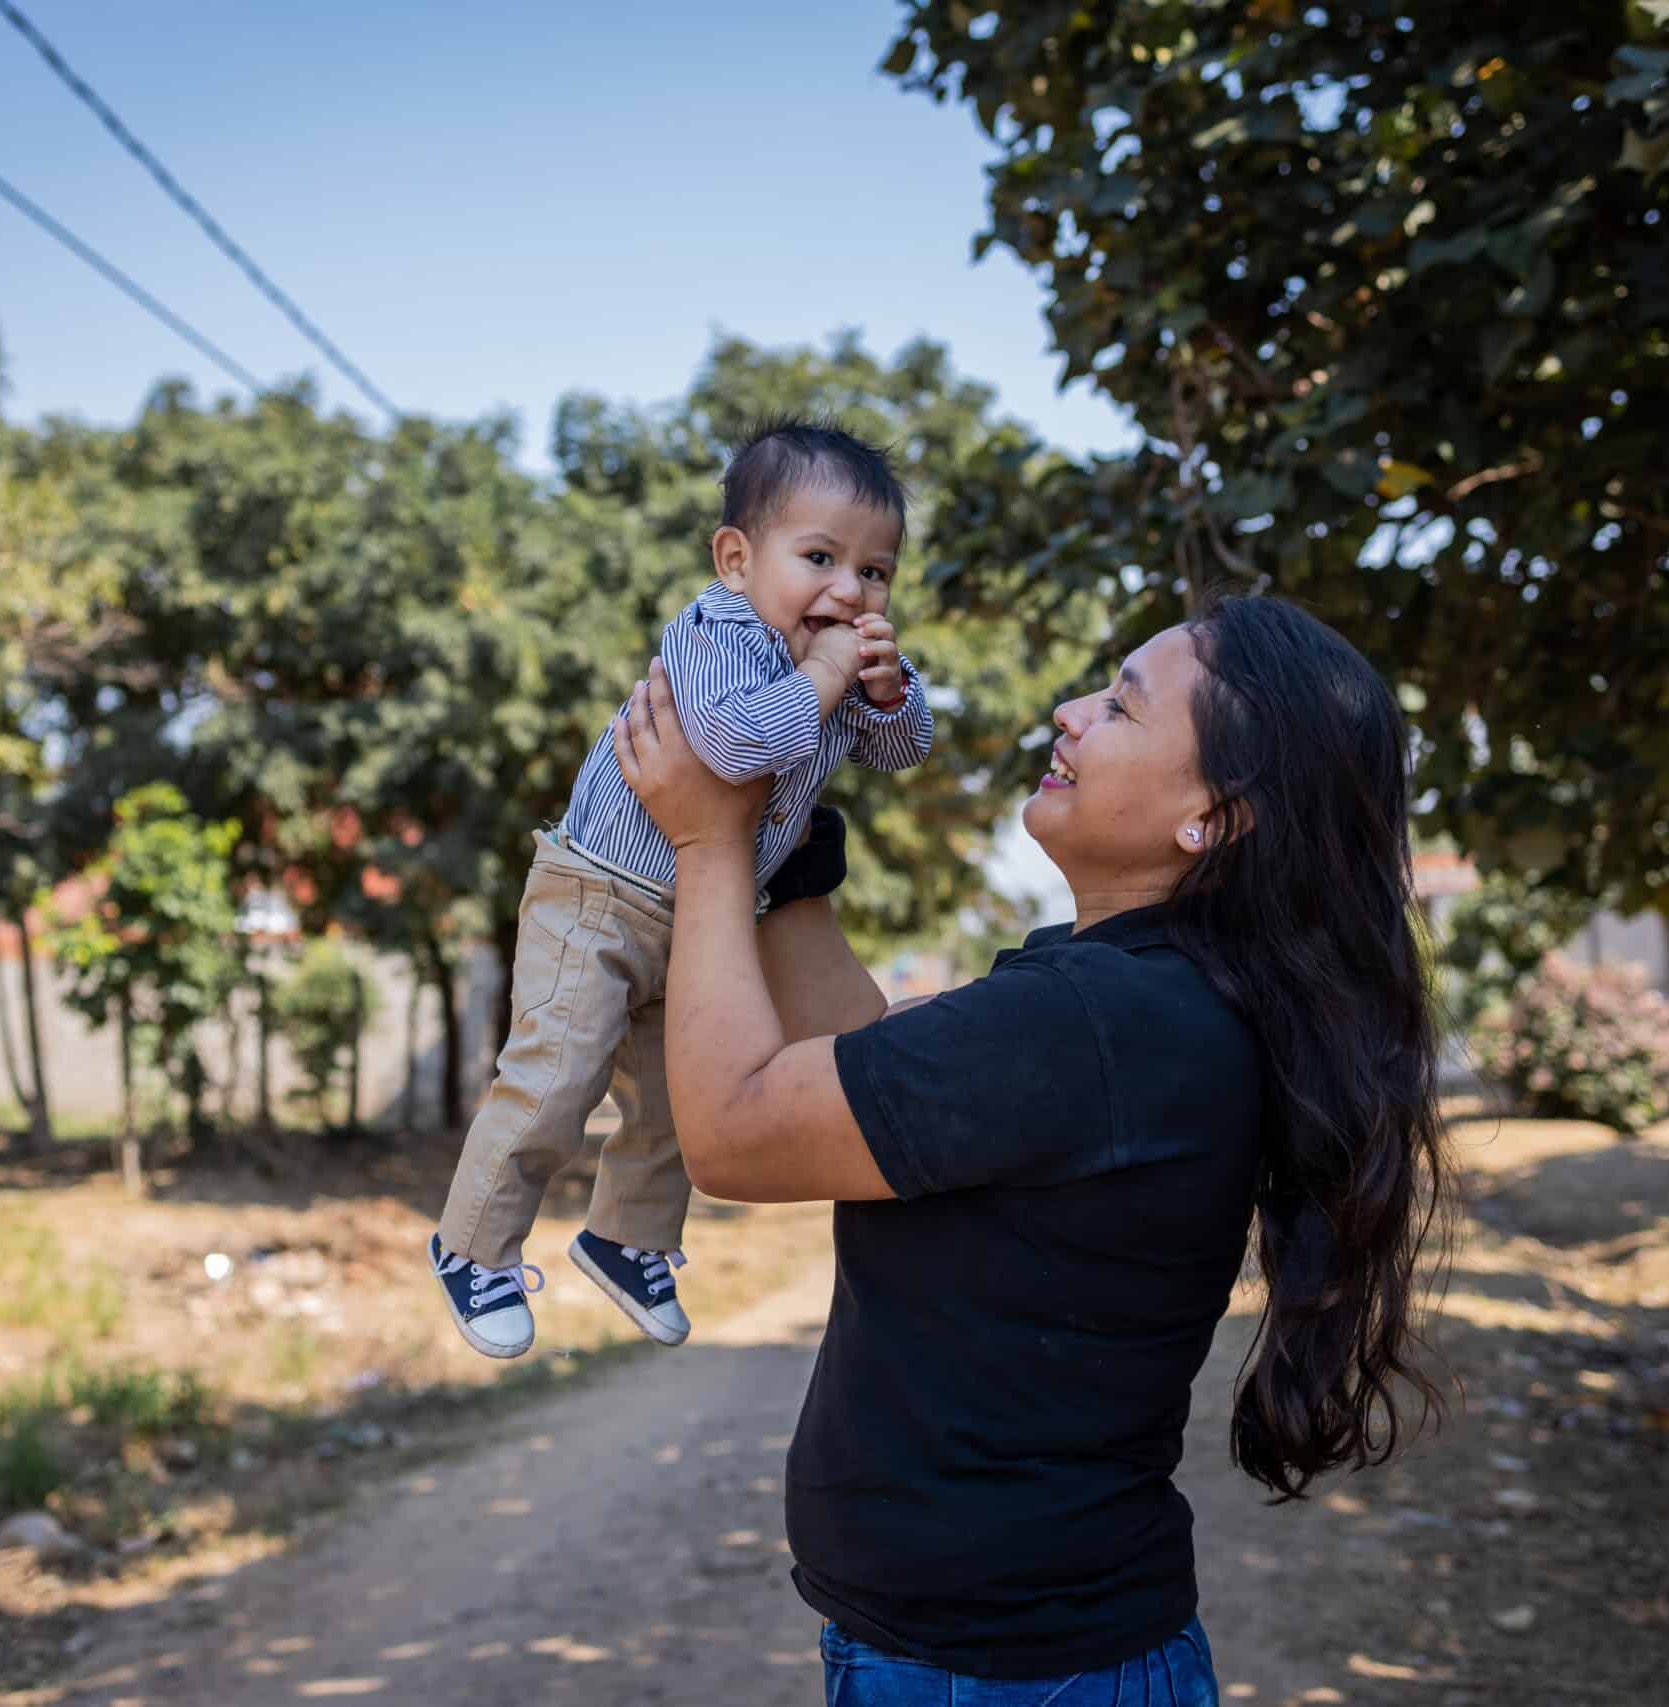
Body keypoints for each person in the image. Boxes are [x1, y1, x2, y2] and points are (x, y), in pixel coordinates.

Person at [611, 595, 1451, 1701]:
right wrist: (784, 851)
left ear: (1213, 816)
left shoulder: (1108, 1021)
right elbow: (864, 1073)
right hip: (1011, 1660)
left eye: (1120, 705)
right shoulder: (1137, 998)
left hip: (1001, 1677)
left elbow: (736, 1131)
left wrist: (705, 841)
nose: (1068, 713)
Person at [429, 418, 936, 1359]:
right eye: (819, 556)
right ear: (737, 559)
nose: (848, 589)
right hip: (598, 893)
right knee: (558, 1072)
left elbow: (902, 752)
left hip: (699, 916)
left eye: (875, 572)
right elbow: (736, 747)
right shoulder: (719, 632)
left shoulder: (831, 664)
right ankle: (472, 1245)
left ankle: (628, 1238)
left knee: (675, 1099)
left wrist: (887, 692)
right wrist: (828, 672)